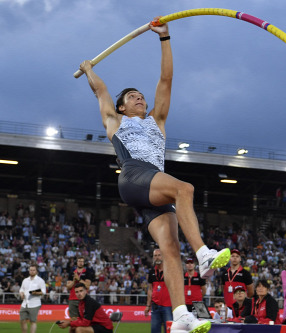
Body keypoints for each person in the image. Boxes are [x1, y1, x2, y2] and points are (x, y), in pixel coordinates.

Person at [79, 17, 230, 333]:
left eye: (140, 96)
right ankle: (203, 254)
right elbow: (101, 90)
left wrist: (165, 38)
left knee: (170, 249)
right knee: (184, 188)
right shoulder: (115, 121)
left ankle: (180, 317)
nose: (139, 98)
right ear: (121, 107)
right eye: (132, 96)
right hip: (134, 175)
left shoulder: (156, 120)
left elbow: (166, 78)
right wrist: (90, 70)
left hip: (153, 187)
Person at [145, 249, 171, 333]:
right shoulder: (151, 272)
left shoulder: (169, 271)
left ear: (163, 257)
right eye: (155, 256)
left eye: (159, 255)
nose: (157, 258)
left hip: (168, 307)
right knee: (154, 331)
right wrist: (148, 305)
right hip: (155, 307)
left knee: (169, 331)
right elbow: (150, 289)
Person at [20, 264, 47, 333]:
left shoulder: (40, 280)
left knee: (33, 321)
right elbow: (21, 289)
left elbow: (43, 292)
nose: (32, 271)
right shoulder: (25, 280)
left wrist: (35, 292)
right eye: (30, 270)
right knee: (22, 320)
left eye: (33, 270)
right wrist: (21, 294)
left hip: (35, 304)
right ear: (29, 271)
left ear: (36, 271)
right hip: (24, 303)